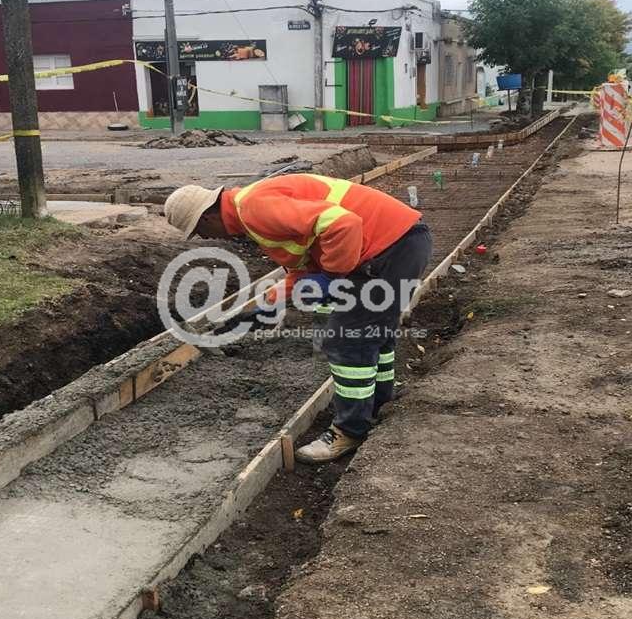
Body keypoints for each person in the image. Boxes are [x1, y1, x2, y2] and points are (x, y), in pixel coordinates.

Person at [163, 173, 432, 463]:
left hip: (389, 249)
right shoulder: (251, 211)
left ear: (207, 216)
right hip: (397, 244)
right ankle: (378, 405)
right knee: (373, 335)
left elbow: (344, 224)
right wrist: (270, 303)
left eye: (200, 231)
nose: (207, 238)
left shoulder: (255, 208)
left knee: (345, 341)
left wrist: (332, 276)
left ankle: (350, 431)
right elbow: (304, 266)